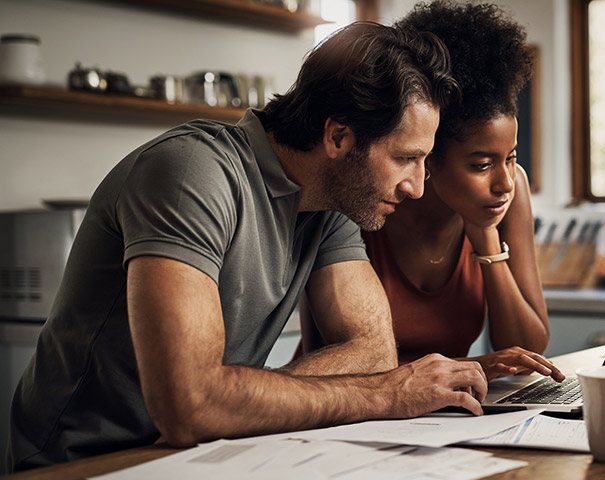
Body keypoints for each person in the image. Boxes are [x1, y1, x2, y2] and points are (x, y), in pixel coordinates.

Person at [6, 22, 490, 473]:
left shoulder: (331, 203)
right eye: (406, 158)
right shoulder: (192, 173)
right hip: (81, 463)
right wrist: (384, 396)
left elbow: (373, 351)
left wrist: (239, 400)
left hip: (200, 453)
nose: (418, 187)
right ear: (338, 136)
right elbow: (190, 405)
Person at [297, 1, 565, 383]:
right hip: (344, 412)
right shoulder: (363, 198)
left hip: (438, 414)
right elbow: (325, 360)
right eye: (481, 164)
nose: (504, 182)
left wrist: (486, 239)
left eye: (511, 157)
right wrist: (467, 368)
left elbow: (528, 348)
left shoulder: (507, 193)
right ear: (428, 156)